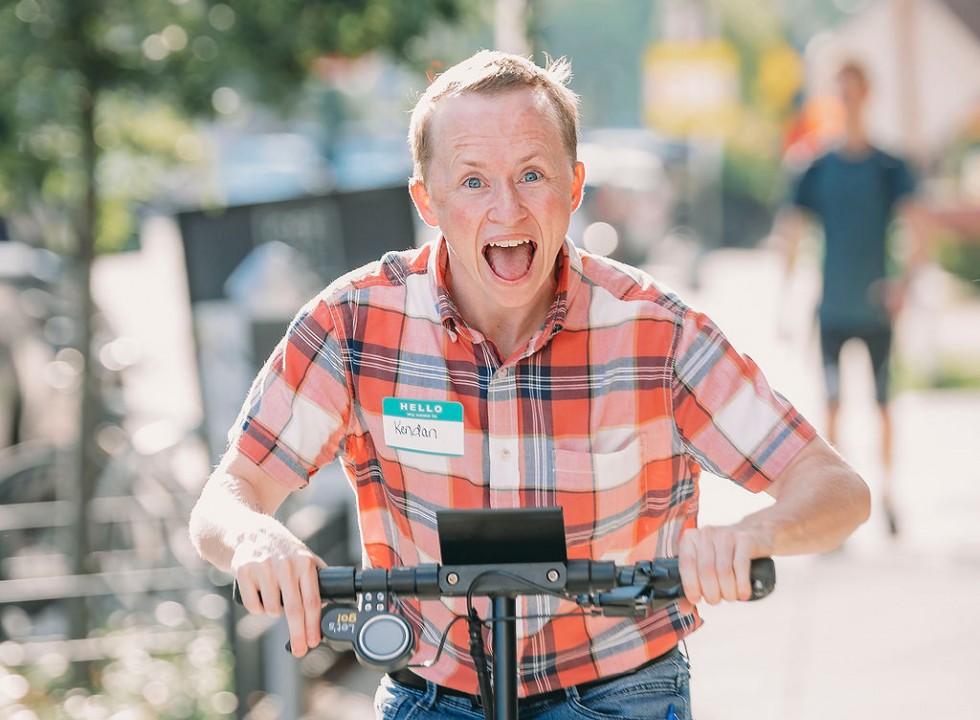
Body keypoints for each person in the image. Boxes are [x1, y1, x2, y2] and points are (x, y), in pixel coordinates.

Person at [189, 50, 870, 719]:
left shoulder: (657, 333)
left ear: (573, 189)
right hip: (431, 695)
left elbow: (836, 488)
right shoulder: (352, 325)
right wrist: (255, 537)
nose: (508, 209)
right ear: (428, 199)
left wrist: (755, 532)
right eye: (474, 181)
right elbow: (228, 494)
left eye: (532, 175)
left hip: (617, 693)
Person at [775, 60, 927, 536]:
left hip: (876, 304)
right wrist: (785, 299)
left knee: (883, 405)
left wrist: (906, 282)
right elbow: (793, 233)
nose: (849, 99)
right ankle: (838, 508)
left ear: (868, 94)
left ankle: (887, 495)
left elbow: (919, 223)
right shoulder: (816, 167)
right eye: (842, 92)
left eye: (855, 91)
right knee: (834, 405)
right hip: (834, 308)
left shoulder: (889, 166)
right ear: (833, 97)